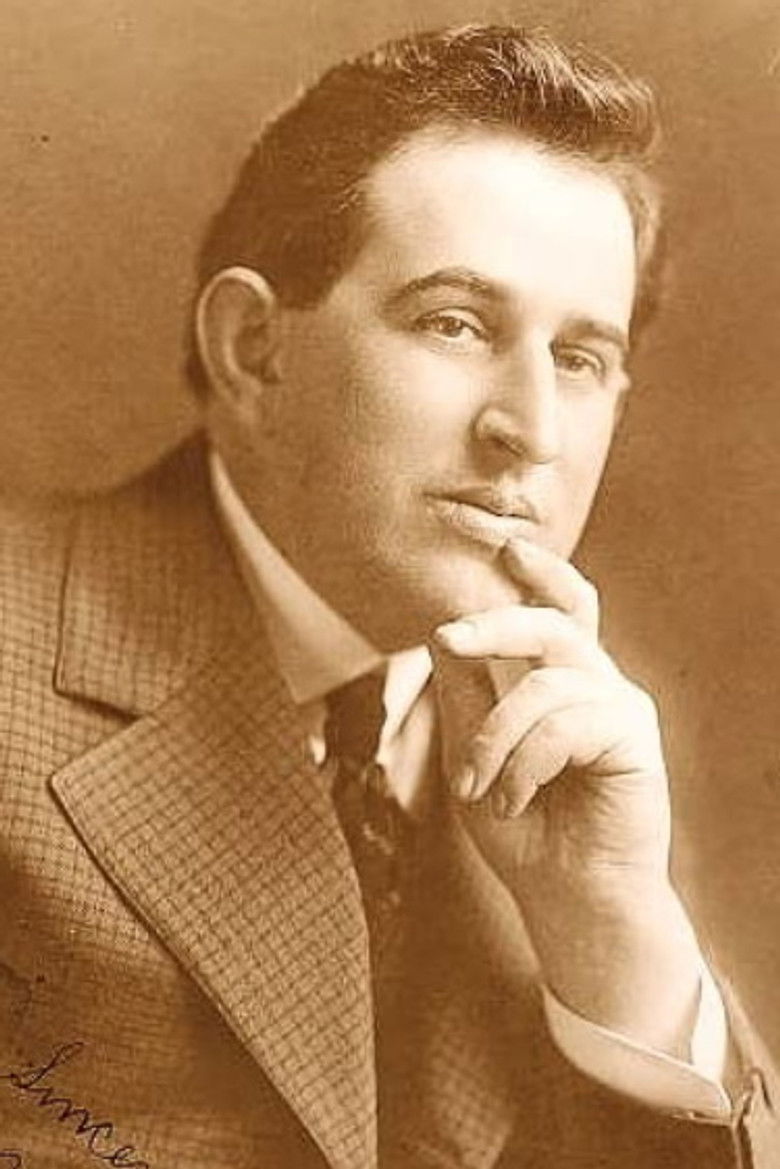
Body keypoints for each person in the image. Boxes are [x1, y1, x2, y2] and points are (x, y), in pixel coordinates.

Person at [0, 23, 776, 1169]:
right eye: (455, 324)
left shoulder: (577, 740)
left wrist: (613, 928)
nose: (531, 429)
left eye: (579, 358)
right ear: (255, 349)